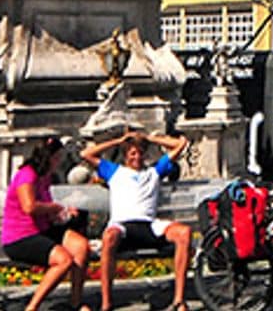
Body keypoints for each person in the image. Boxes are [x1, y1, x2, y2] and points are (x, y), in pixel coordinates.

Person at [82, 130, 193, 311]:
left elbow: (180, 144)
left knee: (184, 233)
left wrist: (149, 138)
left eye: (140, 152)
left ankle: (179, 300)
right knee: (109, 236)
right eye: (133, 153)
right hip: (123, 225)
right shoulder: (114, 171)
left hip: (148, 224)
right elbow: (86, 154)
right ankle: (106, 303)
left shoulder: (154, 171)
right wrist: (118, 141)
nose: (137, 157)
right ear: (126, 156)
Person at [3, 136, 90, 311]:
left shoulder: (46, 177)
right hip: (21, 236)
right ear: (49, 158)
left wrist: (64, 212)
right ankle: (33, 306)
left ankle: (75, 301)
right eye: (57, 158)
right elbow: (30, 206)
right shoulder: (27, 175)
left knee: (81, 246)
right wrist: (56, 208)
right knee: (63, 260)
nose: (59, 162)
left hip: (43, 229)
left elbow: (47, 209)